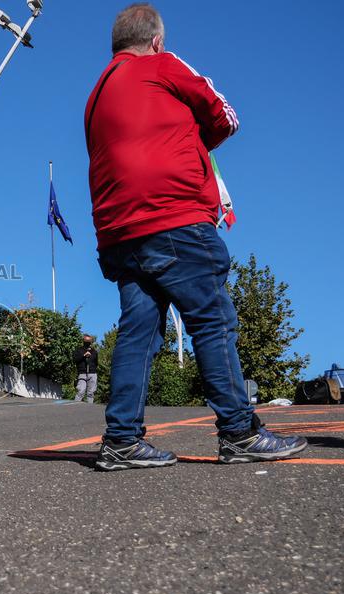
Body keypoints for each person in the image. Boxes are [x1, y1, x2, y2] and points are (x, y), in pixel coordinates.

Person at [85, 4, 305, 471]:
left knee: (138, 332)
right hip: (173, 216)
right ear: (157, 41)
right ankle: (239, 432)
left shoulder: (96, 96)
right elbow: (224, 115)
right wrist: (194, 139)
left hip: (119, 230)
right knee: (212, 319)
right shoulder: (163, 64)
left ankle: (121, 439)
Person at [73, 335, 99, 403]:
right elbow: (75, 360)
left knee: (91, 393)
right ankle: (75, 406)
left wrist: (93, 370)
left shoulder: (94, 351)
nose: (88, 342)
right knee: (81, 391)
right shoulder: (79, 350)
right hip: (82, 373)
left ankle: (89, 409)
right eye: (86, 341)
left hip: (92, 373)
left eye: (89, 341)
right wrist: (83, 356)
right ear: (83, 341)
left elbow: (96, 363)